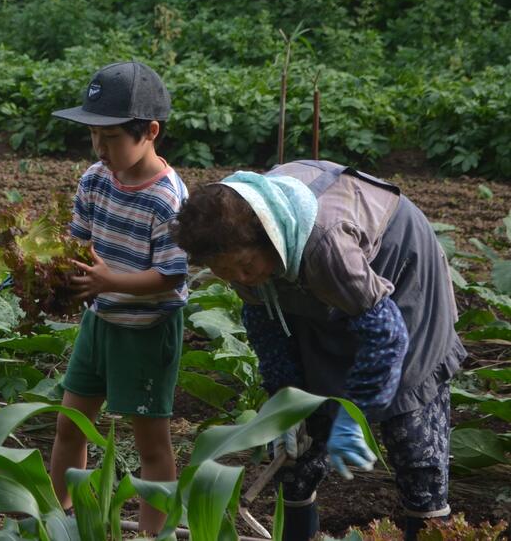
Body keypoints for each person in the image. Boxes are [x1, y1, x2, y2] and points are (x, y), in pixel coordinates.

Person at [170, 160, 466, 541]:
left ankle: (427, 523)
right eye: (228, 273)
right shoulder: (238, 249)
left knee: (410, 428)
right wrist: (285, 402)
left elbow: (386, 334)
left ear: (269, 237)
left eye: (245, 266)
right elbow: (268, 330)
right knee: (300, 444)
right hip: (314, 276)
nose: (242, 279)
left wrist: (353, 415)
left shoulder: (327, 248)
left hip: (399, 270)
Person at [48, 61, 189, 534]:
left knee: (151, 444)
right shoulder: (95, 179)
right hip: (100, 322)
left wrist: (110, 281)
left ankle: (154, 532)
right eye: (94, 137)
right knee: (70, 425)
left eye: (110, 138)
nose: (100, 148)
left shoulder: (167, 199)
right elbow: (79, 241)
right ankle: (61, 518)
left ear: (149, 132)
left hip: (148, 332)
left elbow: (170, 275)